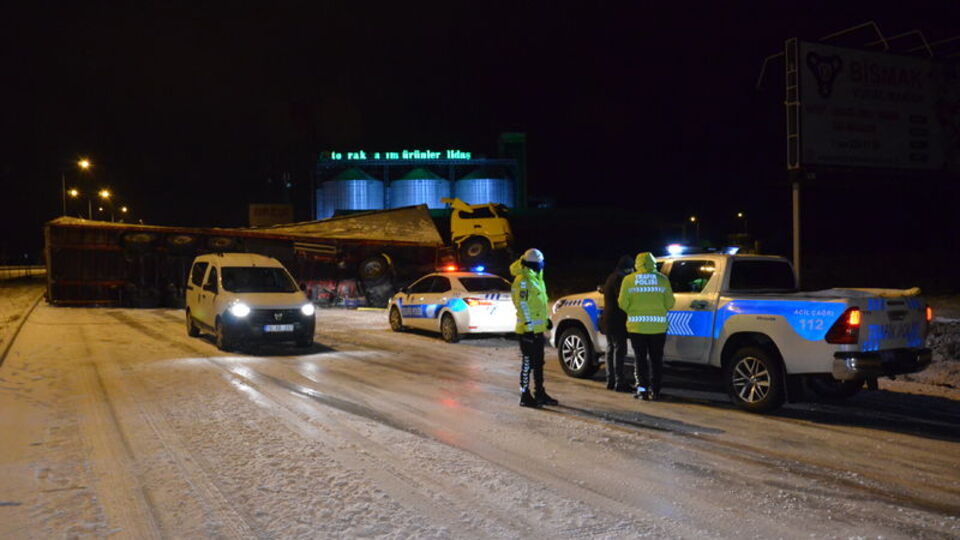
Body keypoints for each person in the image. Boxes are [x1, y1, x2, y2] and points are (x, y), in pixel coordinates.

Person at [618, 252, 675, 401]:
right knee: (656, 360)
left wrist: (633, 309)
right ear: (653, 263)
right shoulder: (662, 280)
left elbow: (622, 303)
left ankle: (642, 390)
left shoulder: (629, 280)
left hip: (637, 328)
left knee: (640, 359)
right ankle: (655, 391)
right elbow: (670, 303)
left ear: (637, 264)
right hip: (658, 328)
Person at [510, 248, 558, 408]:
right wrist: (529, 327)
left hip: (537, 330)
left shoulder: (537, 279)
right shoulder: (522, 280)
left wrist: (545, 321)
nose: (542, 265)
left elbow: (539, 306)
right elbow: (522, 305)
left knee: (539, 363)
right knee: (527, 363)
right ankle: (524, 395)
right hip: (526, 331)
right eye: (539, 263)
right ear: (532, 264)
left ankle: (540, 393)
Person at [600, 255, 634, 392]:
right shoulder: (621, 278)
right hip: (617, 320)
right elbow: (623, 299)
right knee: (619, 351)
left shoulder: (612, 276)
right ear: (628, 267)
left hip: (608, 320)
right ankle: (620, 382)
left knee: (610, 350)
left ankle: (610, 380)